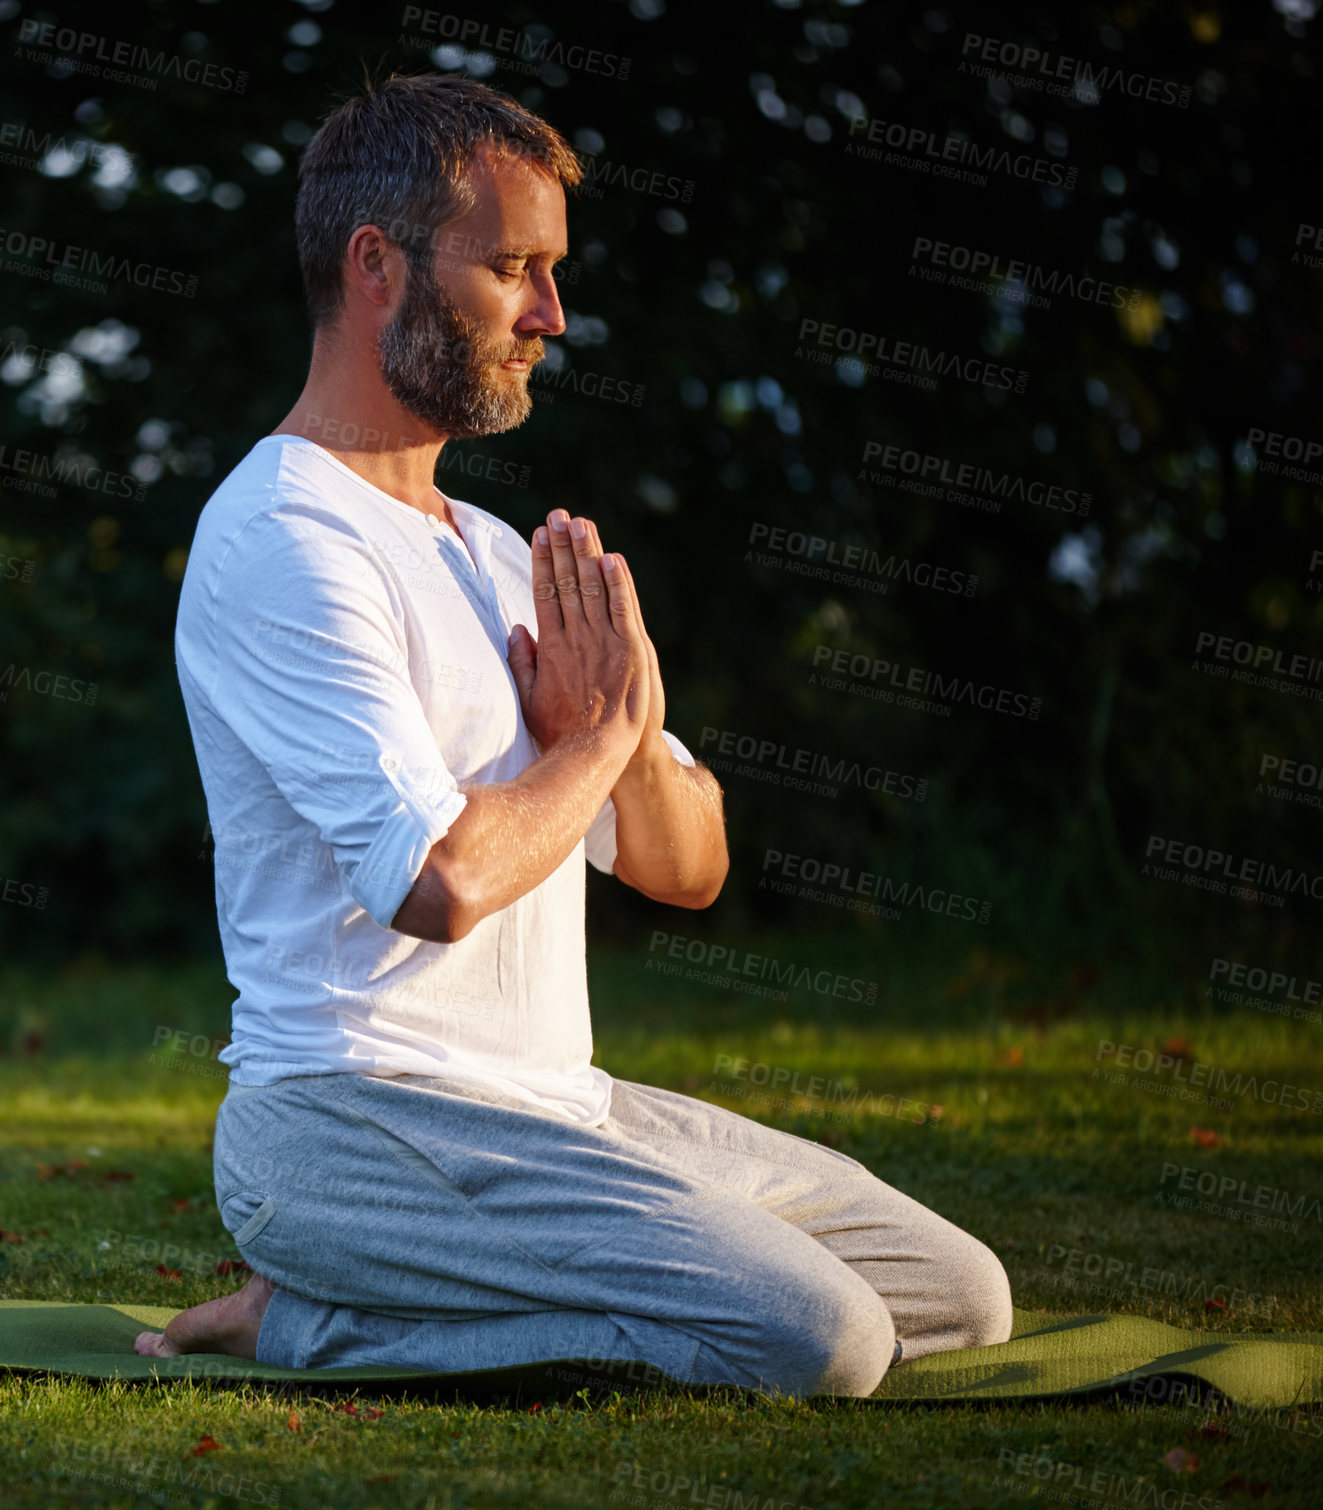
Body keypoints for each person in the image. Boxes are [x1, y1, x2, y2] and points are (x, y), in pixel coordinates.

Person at [135, 72, 1012, 1400]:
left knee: (958, 1295)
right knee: (822, 1338)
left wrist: (632, 736)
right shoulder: (283, 539)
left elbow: (690, 865)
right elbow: (435, 883)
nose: (552, 313)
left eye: (551, 272)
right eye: (514, 269)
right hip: (354, 1126)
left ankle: (392, 1295)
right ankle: (315, 1319)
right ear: (375, 267)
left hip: (557, 1110)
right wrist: (590, 745)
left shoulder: (497, 552)